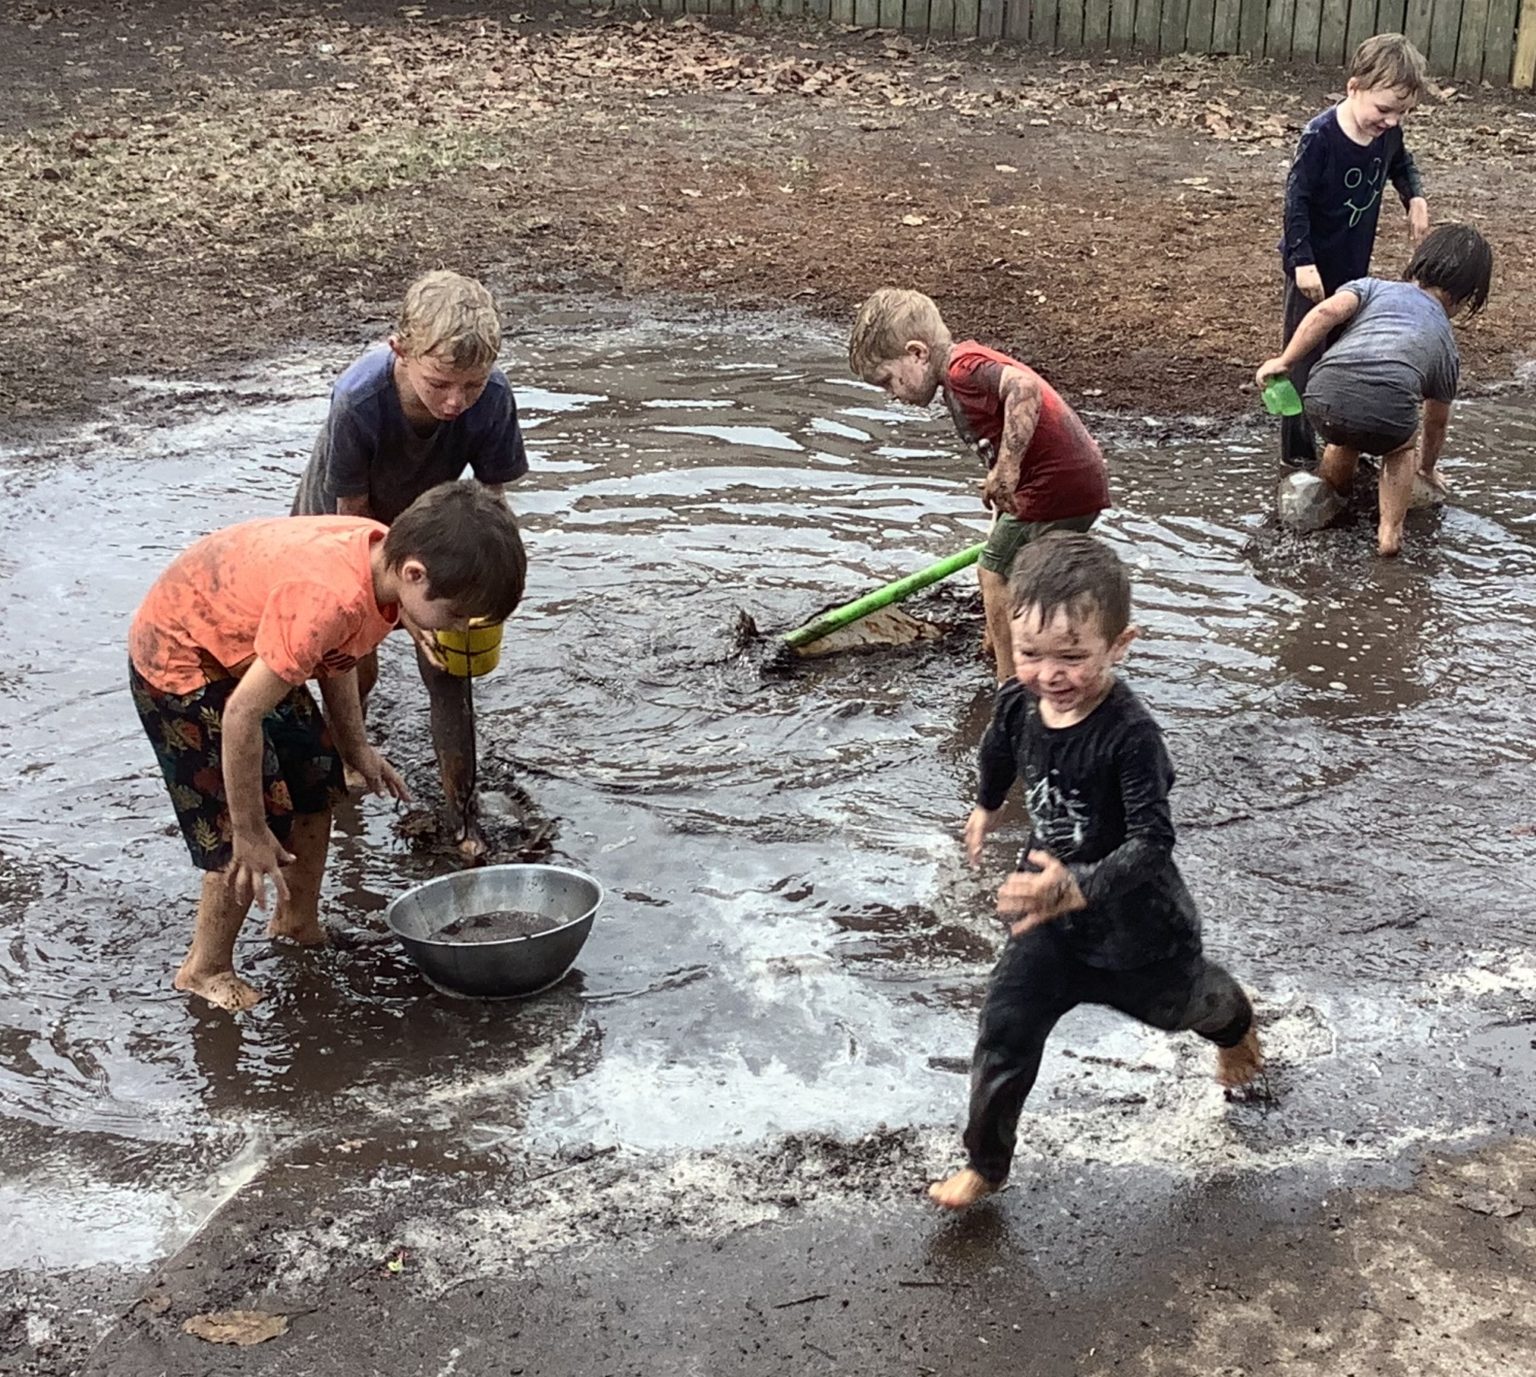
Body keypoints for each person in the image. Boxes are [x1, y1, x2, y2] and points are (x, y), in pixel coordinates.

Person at [929, 533, 1263, 1209]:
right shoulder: (1019, 700)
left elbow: (1153, 840)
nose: (1049, 672)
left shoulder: (1130, 733)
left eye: (1072, 656)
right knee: (1005, 1026)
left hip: (1138, 926)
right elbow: (1000, 746)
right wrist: (985, 804)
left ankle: (1234, 1022)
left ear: (1120, 643)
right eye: (1030, 653)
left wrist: (1077, 887)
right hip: (1048, 922)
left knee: (1180, 1008)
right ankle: (986, 1163)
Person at [129, 482, 527, 1012]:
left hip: (248, 645)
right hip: (183, 657)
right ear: (415, 574)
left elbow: (338, 654)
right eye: (456, 614)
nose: (457, 629)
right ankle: (206, 967)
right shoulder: (328, 598)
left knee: (319, 773)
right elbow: (243, 714)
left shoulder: (380, 563)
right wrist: (250, 830)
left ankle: (297, 922)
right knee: (250, 818)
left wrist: (355, 749)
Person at [293, 269, 528, 857]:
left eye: (471, 386)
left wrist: (489, 582)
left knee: (452, 666)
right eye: (441, 383)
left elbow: (494, 501)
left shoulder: (491, 398)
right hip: (341, 529)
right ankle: (350, 758)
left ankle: (463, 814)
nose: (456, 402)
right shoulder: (360, 400)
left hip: (434, 524)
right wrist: (403, 610)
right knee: (350, 657)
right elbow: (354, 520)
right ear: (402, 352)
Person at [848, 288, 1110, 684]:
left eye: (888, 381)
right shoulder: (964, 372)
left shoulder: (962, 369)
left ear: (917, 353)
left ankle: (1008, 685)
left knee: (992, 572)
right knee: (1017, 569)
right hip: (1070, 481)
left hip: (1056, 484)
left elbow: (1024, 388)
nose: (892, 396)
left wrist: (1007, 469)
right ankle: (1019, 643)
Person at [1256, 222, 1492, 557]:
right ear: (1463, 297)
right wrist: (1426, 469)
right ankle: (1389, 534)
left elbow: (1326, 311)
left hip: (1323, 394)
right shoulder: (1446, 345)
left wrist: (1286, 360)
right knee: (1399, 447)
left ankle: (1329, 499)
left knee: (1343, 435)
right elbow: (1436, 421)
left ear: (1418, 265)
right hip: (1387, 413)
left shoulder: (1372, 288)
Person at [1277, 32, 1431, 469]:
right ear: (1353, 88)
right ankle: (1296, 456)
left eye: (1402, 113)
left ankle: (1342, 443)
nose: (1391, 121)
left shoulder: (1387, 134)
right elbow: (1296, 201)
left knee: (1347, 354)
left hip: (1354, 267)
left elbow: (1402, 163)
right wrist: (1301, 261)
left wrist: (1413, 197)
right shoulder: (1320, 137)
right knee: (1302, 356)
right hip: (1310, 269)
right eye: (1384, 110)